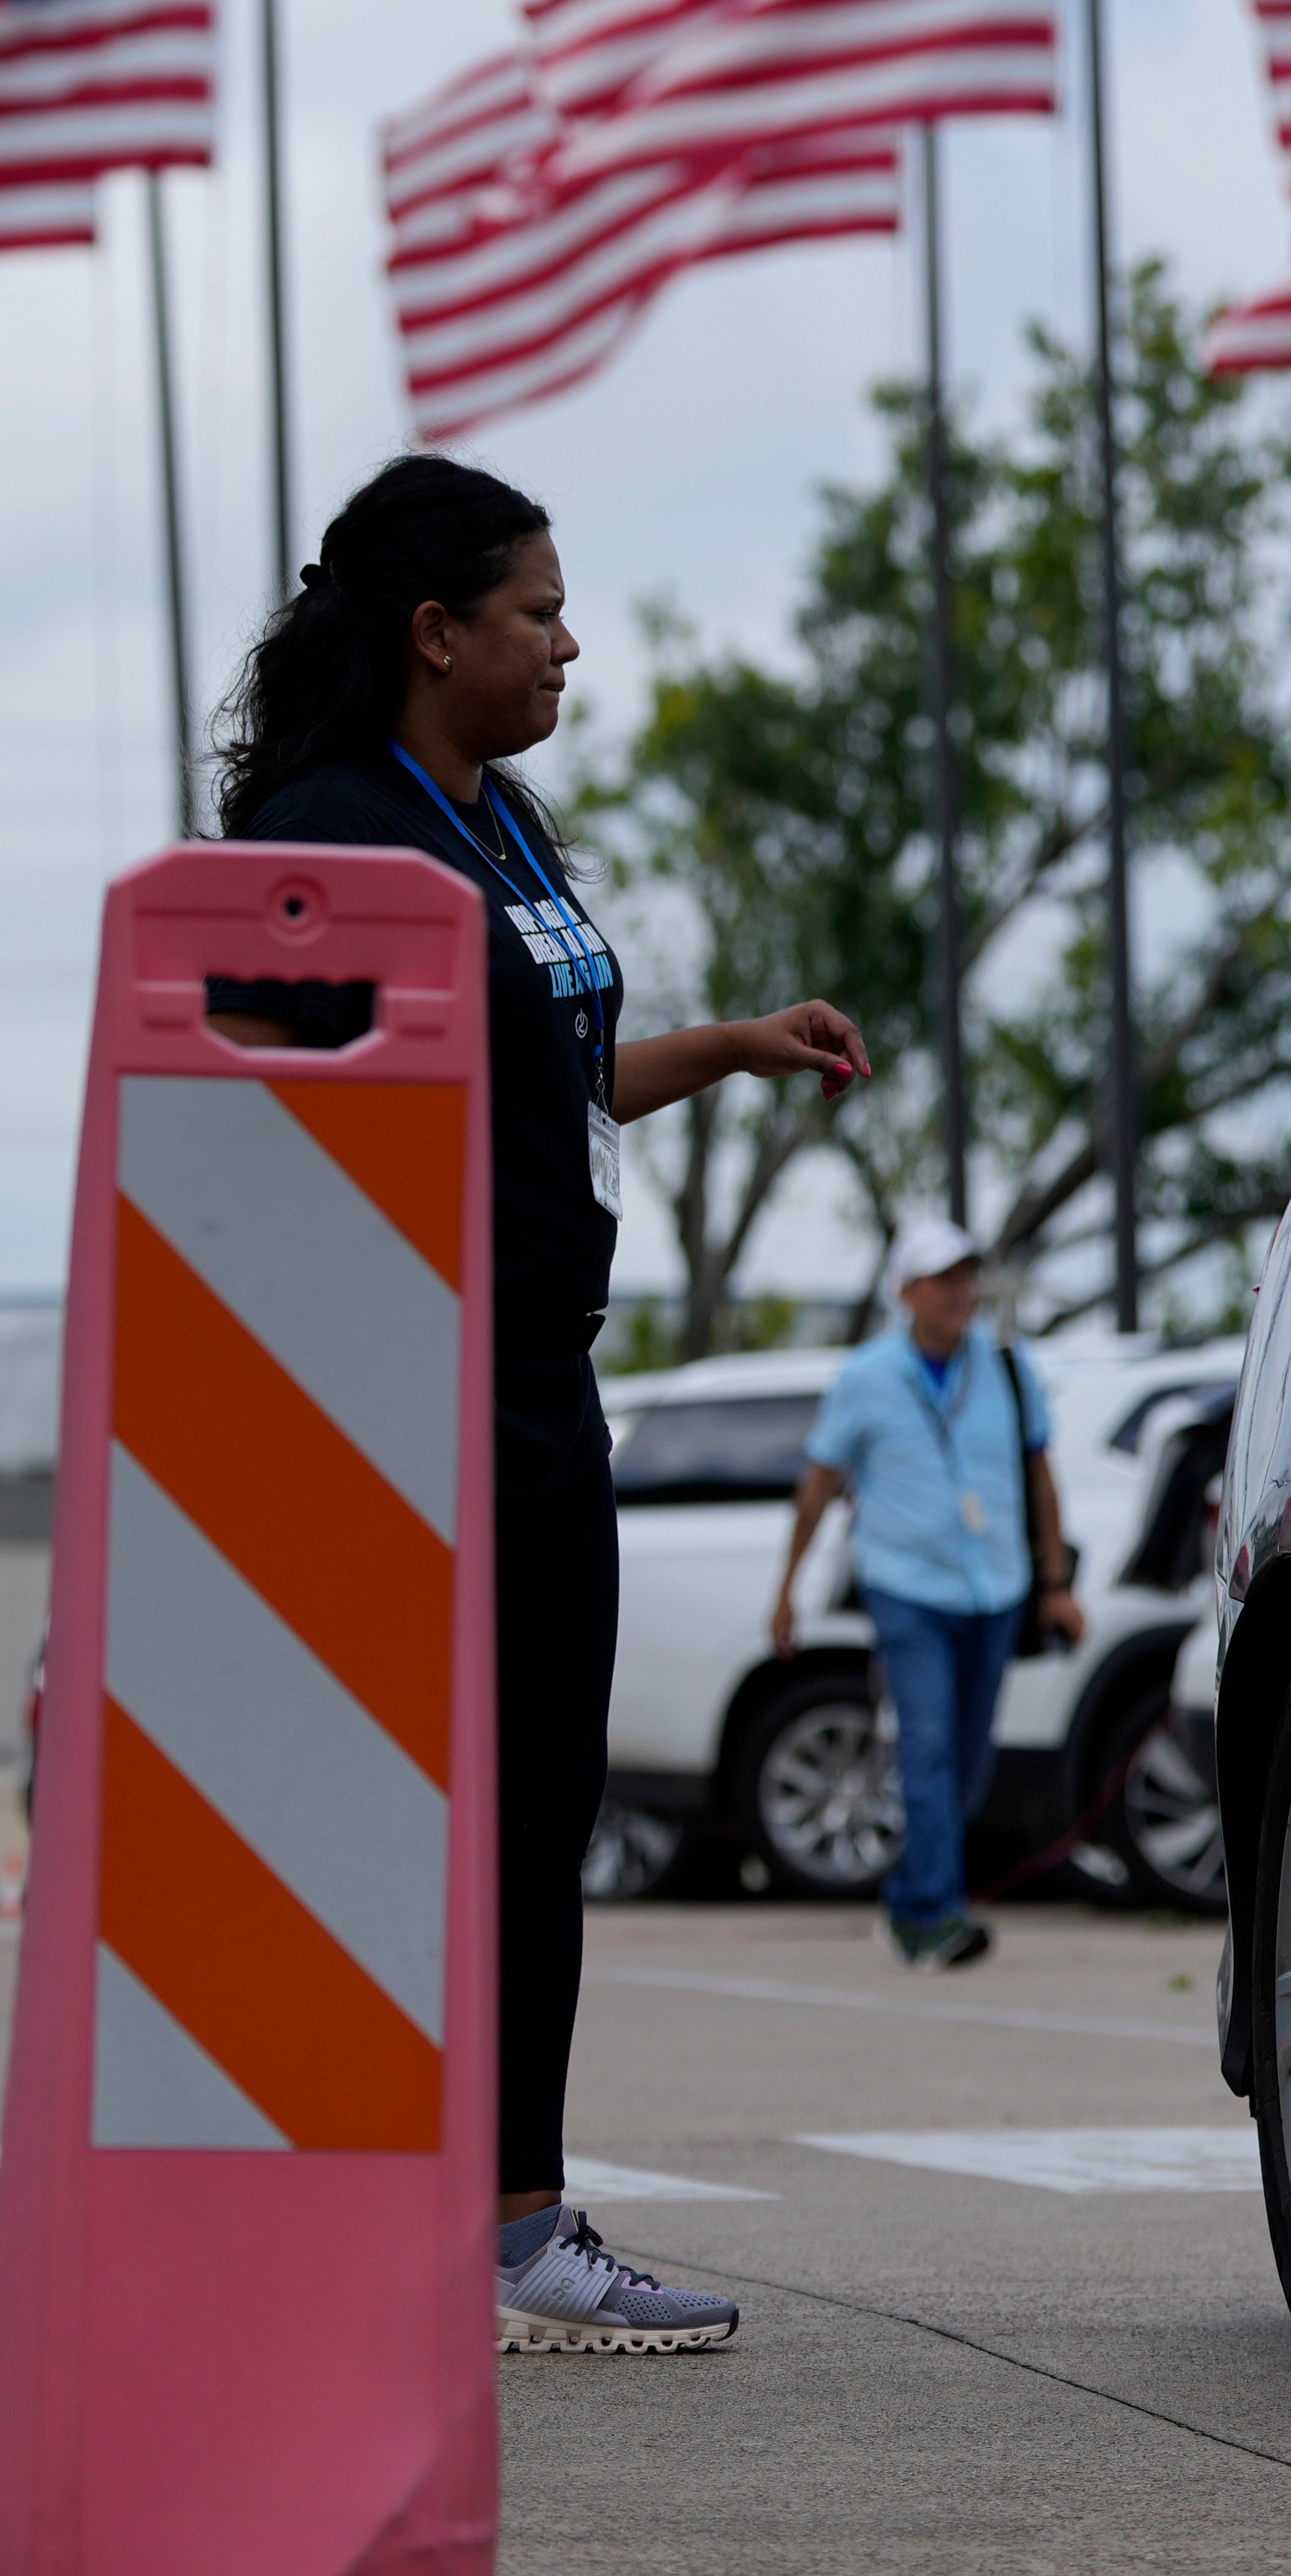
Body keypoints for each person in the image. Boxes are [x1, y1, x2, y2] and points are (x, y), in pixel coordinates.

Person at [201, 453, 868, 2360]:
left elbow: (538, 1078)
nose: (567, 643)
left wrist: (722, 1046)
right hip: (405, 1393)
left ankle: (501, 2219)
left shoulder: (496, 824)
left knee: (532, 1803)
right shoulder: (332, 840)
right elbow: (243, 1113)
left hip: (537, 1381)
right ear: (433, 631)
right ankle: (415, 2221)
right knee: (410, 1812)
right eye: (537, 611)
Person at [769, 1218, 1078, 1971]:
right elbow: (818, 1486)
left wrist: (1055, 1582)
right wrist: (787, 1589)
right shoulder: (866, 1376)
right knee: (929, 1745)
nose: (959, 1292)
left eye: (966, 1276)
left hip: (996, 1589)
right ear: (905, 1291)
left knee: (967, 1760)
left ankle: (910, 1897)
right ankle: (940, 1912)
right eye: (942, 1279)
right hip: (905, 1588)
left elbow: (1040, 1477)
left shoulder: (1007, 1367)